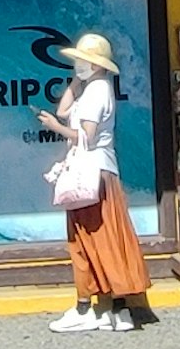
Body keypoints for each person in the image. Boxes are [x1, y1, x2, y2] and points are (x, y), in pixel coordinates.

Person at [36, 32, 149, 333]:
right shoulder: (96, 89)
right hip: (102, 172)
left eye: (83, 61)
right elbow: (64, 109)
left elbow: (85, 136)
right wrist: (75, 83)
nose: (79, 65)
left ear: (97, 65)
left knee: (86, 239)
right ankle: (117, 309)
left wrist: (54, 127)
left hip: (91, 175)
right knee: (107, 239)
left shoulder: (97, 92)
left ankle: (87, 307)